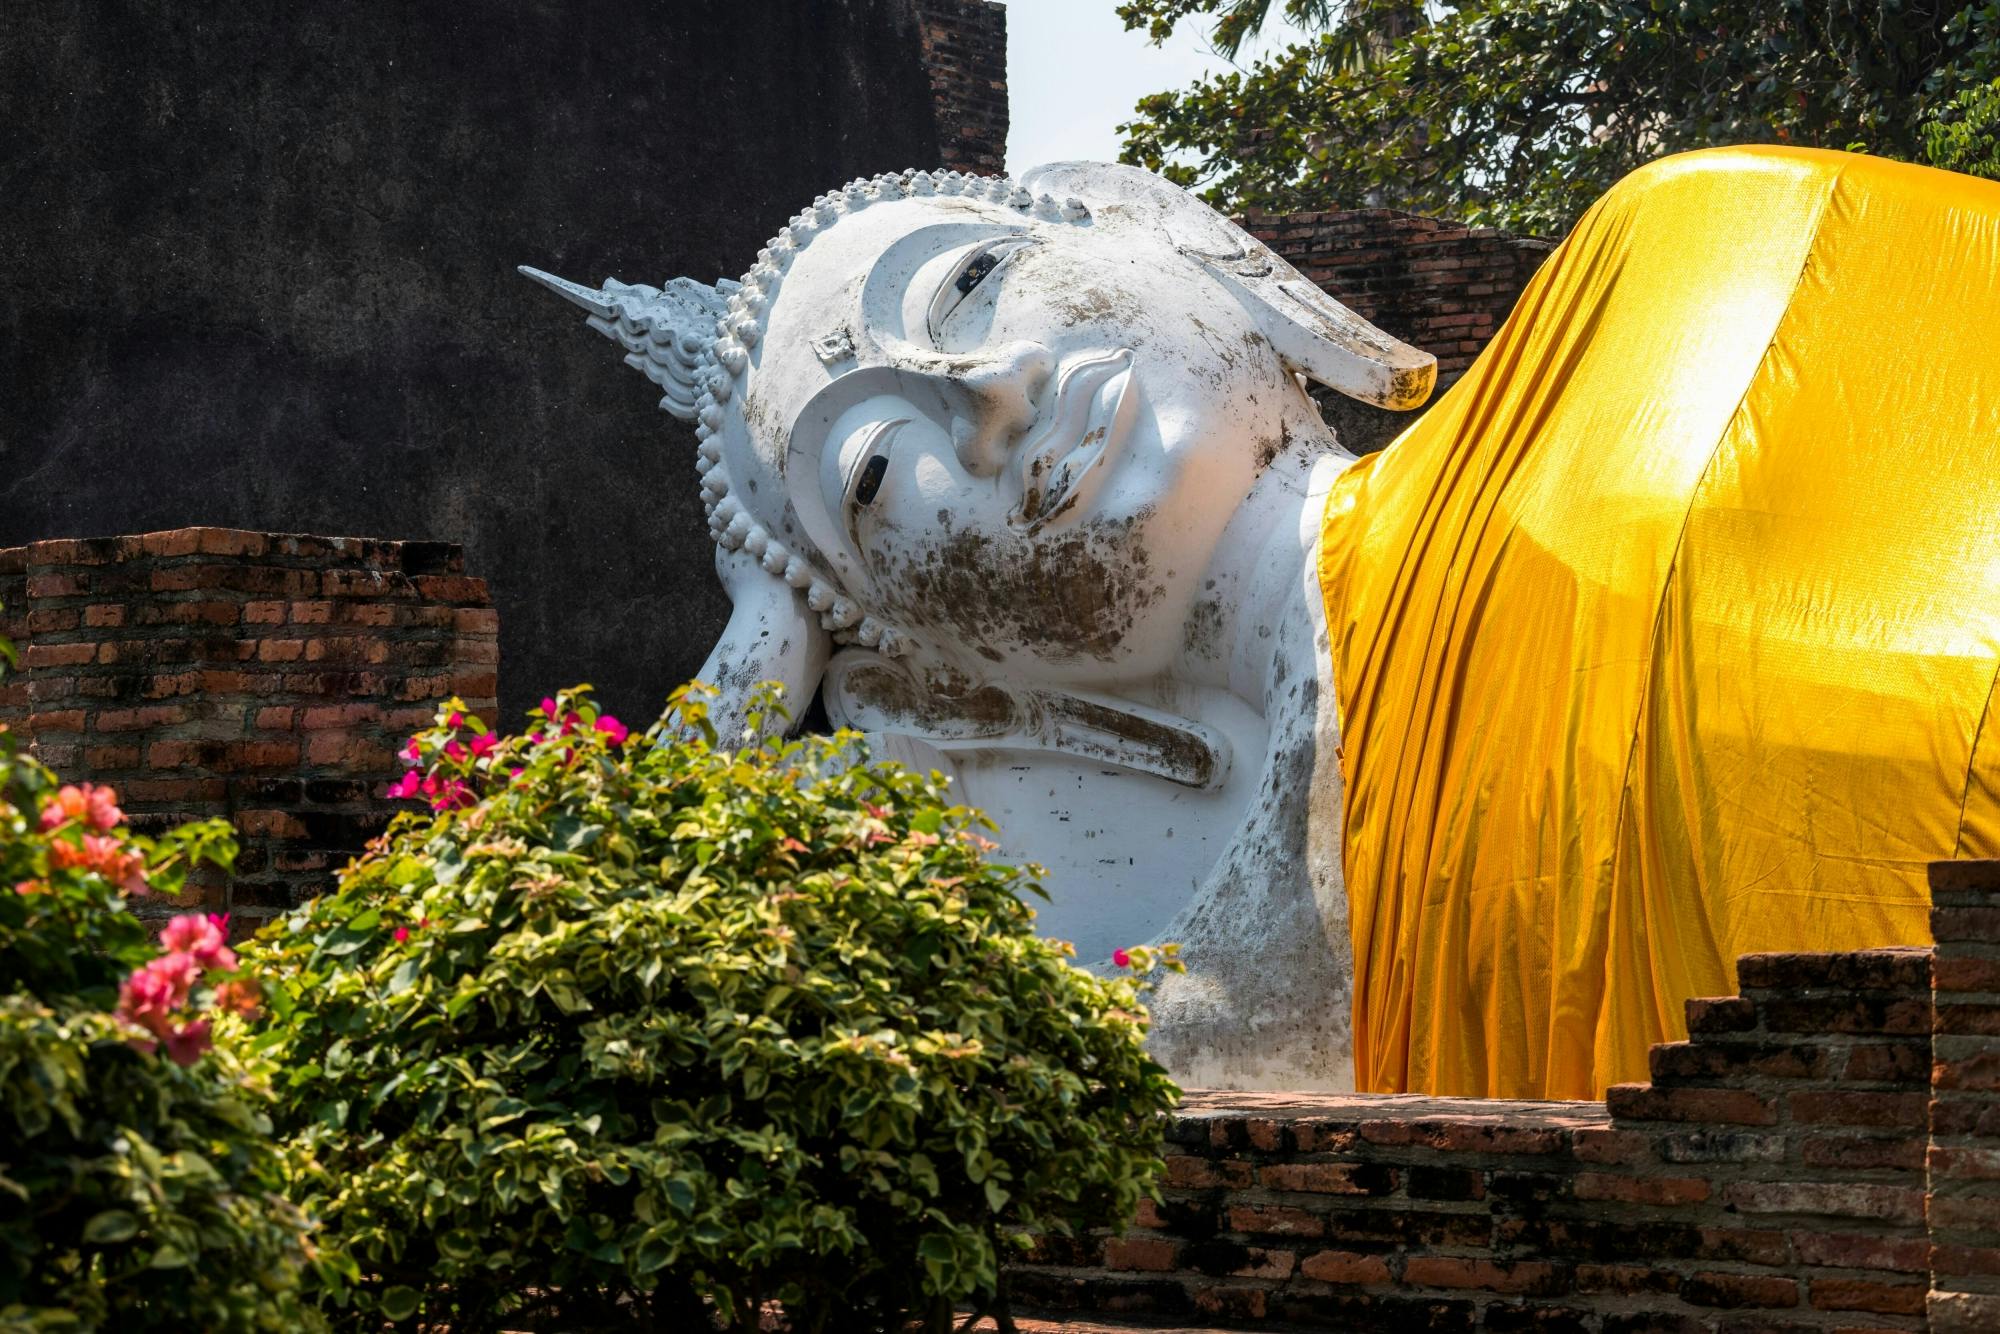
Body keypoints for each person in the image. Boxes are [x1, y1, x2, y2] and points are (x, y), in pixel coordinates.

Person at [528, 146, 1999, 1099]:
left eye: (971, 283)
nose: (983, 398)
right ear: (936, 671)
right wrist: (759, 656)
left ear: (1178, 240)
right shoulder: (1240, 976)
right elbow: (584, 967)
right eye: (871, 468)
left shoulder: (1703, 242)